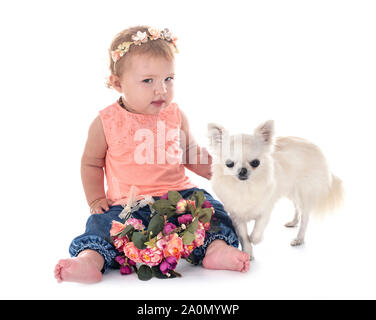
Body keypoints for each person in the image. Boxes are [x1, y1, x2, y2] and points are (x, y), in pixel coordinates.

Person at [54, 26, 250, 283]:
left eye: (168, 79)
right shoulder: (106, 121)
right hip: (130, 203)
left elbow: (190, 153)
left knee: (213, 211)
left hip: (180, 196)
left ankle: (215, 249)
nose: (161, 90)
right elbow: (91, 163)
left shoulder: (175, 114)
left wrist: (225, 170)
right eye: (148, 81)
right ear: (117, 83)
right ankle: (90, 259)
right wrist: (95, 199)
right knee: (104, 225)